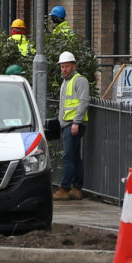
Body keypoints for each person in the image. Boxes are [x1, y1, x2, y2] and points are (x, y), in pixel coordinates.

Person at [54, 51, 88, 201]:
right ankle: (76, 188)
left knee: (68, 156)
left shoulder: (79, 80)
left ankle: (64, 188)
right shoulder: (66, 81)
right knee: (74, 157)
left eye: (66, 66)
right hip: (68, 124)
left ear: (73, 66)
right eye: (62, 67)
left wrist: (76, 123)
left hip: (73, 125)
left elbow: (83, 102)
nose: (64, 70)